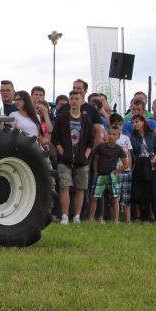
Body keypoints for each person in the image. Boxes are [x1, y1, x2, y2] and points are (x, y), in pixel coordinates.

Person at [52, 90, 95, 224]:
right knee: (64, 186)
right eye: (72, 99)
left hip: (81, 160)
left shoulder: (87, 120)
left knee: (80, 188)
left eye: (77, 99)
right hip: (65, 159)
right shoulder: (61, 117)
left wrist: (86, 155)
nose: (74, 101)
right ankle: (65, 215)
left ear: (82, 101)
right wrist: (61, 151)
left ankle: (77, 216)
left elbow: (90, 140)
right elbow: (55, 137)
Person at [88, 127, 129, 223]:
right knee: (94, 197)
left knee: (115, 198)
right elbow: (95, 160)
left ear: (118, 137)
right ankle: (90, 219)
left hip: (112, 176)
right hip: (100, 175)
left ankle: (115, 220)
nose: (111, 136)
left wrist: (117, 171)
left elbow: (126, 164)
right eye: (110, 134)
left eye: (114, 134)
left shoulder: (119, 149)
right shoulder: (101, 147)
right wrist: (96, 172)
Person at [129, 113, 156, 223]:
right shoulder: (132, 138)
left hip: (153, 168)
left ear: (143, 122)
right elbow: (132, 154)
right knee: (142, 196)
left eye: (137, 121)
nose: (135, 124)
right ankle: (145, 218)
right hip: (140, 168)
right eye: (133, 122)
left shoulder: (153, 135)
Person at [108, 113, 134, 221]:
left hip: (126, 171)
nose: (118, 126)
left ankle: (128, 220)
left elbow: (129, 154)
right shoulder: (111, 138)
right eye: (116, 124)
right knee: (115, 197)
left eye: (120, 124)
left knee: (126, 197)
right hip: (116, 171)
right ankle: (115, 220)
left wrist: (130, 168)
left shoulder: (126, 138)